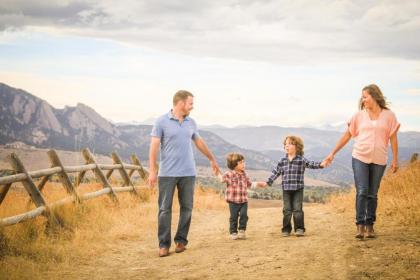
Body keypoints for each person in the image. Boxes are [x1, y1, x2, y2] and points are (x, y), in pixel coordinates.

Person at [148, 90, 220, 257]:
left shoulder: (191, 122)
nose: (192, 107)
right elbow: (153, 147)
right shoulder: (161, 122)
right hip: (167, 174)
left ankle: (181, 241)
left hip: (188, 172)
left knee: (187, 208)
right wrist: (152, 170)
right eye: (190, 103)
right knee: (165, 209)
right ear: (180, 103)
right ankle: (164, 245)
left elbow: (199, 142)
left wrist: (212, 159)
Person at [324, 84, 400, 239]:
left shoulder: (389, 115)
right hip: (360, 157)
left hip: (379, 159)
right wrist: (332, 153)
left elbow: (393, 138)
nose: (363, 99)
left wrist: (395, 159)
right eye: (362, 97)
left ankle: (370, 225)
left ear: (375, 96)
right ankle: (360, 226)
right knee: (362, 191)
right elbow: (347, 136)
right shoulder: (358, 115)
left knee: (372, 193)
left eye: (365, 96)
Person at [262, 136, 327, 237]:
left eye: (290, 144)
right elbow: (276, 172)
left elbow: (311, 164)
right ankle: (286, 229)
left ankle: (299, 228)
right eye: (285, 144)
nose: (286, 146)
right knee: (287, 210)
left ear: (297, 147)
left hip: (298, 189)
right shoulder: (282, 160)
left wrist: (321, 164)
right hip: (286, 189)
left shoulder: (301, 160)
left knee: (297, 209)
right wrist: (268, 182)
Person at [217, 153, 266, 240]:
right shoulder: (229, 174)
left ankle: (242, 230)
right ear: (234, 164)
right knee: (233, 217)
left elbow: (249, 184)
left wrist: (259, 184)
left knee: (244, 215)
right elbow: (221, 179)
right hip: (233, 201)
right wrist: (216, 172)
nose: (244, 164)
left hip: (243, 200)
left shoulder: (245, 175)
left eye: (244, 162)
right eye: (241, 162)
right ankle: (233, 232)